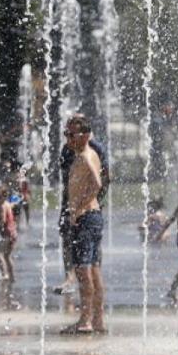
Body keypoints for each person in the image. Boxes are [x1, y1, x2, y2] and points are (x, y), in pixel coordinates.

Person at [61, 115, 106, 335]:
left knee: (82, 269)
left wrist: (79, 207)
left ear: (85, 135)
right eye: (66, 133)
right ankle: (98, 319)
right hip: (94, 216)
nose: (67, 138)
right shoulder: (90, 154)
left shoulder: (85, 157)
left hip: (86, 217)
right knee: (94, 269)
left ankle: (85, 319)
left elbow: (97, 184)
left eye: (72, 134)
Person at [0, 187, 16, 284]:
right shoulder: (8, 204)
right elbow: (13, 205)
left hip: (7, 235)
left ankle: (5, 274)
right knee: (7, 256)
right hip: (13, 234)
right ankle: (12, 276)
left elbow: (2, 221)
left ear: (2, 197)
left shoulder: (2, 206)